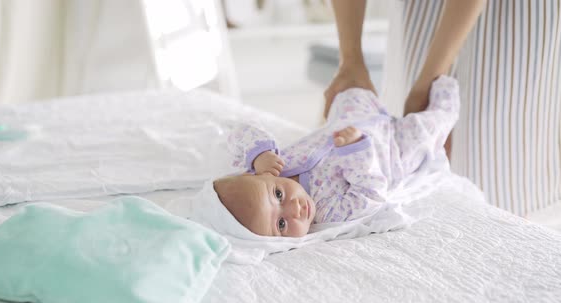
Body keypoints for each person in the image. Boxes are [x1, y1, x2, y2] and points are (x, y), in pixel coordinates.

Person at [325, 0, 561, 217]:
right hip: (421, 10)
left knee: (497, 176)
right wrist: (350, 57)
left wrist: (430, 82)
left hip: (513, 19)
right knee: (403, 167)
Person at [213, 75, 459, 237]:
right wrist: (355, 151)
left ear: (252, 175)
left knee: (349, 93)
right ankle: (446, 93)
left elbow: (240, 132)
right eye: (281, 225)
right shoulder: (326, 210)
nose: (294, 209)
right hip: (391, 151)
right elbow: (370, 195)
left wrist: (259, 153)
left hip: (349, 120)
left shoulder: (269, 164)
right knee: (428, 131)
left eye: (278, 195)